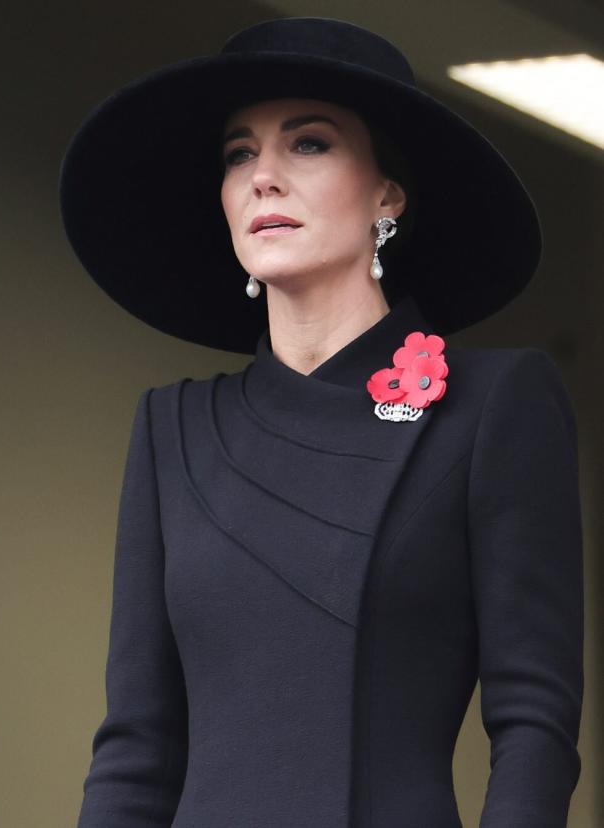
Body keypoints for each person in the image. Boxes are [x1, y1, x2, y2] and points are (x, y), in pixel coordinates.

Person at [60, 18, 582, 827]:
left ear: (387, 194)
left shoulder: (492, 404)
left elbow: (534, 722)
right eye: (239, 154)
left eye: (307, 144)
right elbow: (136, 748)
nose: (263, 176)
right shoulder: (173, 429)